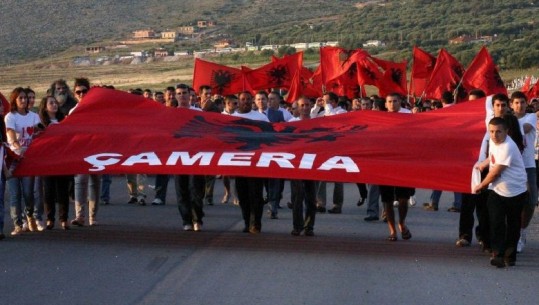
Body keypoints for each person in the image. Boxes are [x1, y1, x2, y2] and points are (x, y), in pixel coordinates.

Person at [473, 117, 528, 268]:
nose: (494, 135)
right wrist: (481, 165)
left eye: (498, 132)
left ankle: (510, 256)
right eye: (491, 131)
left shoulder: (508, 146)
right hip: (497, 190)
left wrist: (481, 185)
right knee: (496, 221)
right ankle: (497, 253)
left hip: (515, 190)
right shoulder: (492, 141)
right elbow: (492, 160)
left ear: (507, 132)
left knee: (513, 223)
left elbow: (496, 172)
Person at [232, 91, 269, 233]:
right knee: (243, 195)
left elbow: (269, 138)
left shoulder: (261, 118)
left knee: (256, 194)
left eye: (248, 99)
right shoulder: (232, 118)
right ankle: (247, 222)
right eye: (243, 99)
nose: (245, 102)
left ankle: (256, 223)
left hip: (256, 162)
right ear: (238, 101)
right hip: (239, 163)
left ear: (252, 101)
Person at [5, 87, 40, 235]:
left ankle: (29, 215)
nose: (24, 100)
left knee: (28, 193)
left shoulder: (33, 116)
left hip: (28, 159)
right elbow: (11, 134)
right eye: (21, 98)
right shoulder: (10, 116)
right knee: (15, 193)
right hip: (13, 158)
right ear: (14, 100)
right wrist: (17, 147)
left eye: (25, 98)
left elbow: (39, 133)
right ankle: (18, 223)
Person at [380, 93, 414, 241]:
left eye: (395, 101)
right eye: (389, 102)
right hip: (385, 163)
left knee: (403, 198)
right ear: (386, 104)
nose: (392, 104)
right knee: (387, 199)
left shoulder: (408, 116)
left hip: (403, 163)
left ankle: (402, 222)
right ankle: (392, 230)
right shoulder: (380, 119)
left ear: (400, 102)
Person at [70, 78, 101, 226]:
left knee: (94, 182)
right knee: (80, 181)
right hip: (80, 150)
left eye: (84, 91)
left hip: (96, 149)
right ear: (74, 94)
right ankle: (80, 216)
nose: (81, 94)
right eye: (78, 92)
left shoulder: (97, 109)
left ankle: (92, 216)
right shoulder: (73, 111)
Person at [174, 84, 205, 231]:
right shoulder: (170, 114)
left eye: (184, 93)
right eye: (179, 93)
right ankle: (186, 220)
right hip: (178, 157)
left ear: (189, 95)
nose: (182, 96)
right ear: (175, 96)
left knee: (196, 190)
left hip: (195, 157)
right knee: (182, 190)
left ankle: (197, 218)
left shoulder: (198, 112)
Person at [509, 91, 537, 253]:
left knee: (531, 200)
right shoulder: (506, 121)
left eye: (522, 102)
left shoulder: (530, 118)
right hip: (509, 165)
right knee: (510, 201)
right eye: (517, 103)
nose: (520, 106)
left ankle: (522, 231)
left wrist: (507, 123)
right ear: (512, 104)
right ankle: (511, 234)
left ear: (527, 104)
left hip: (528, 166)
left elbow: (524, 130)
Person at [38, 95, 70, 230]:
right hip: (47, 161)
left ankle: (64, 219)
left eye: (55, 103)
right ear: (45, 107)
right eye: (51, 103)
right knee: (49, 191)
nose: (54, 105)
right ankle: (50, 219)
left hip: (62, 159)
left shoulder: (64, 120)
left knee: (63, 191)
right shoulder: (41, 123)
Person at [289, 97, 317, 236]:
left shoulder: (318, 122)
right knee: (297, 197)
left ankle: (309, 226)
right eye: (302, 105)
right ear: (298, 107)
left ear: (310, 106)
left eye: (307, 105)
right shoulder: (291, 123)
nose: (305, 108)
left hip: (313, 164)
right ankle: (297, 226)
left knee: (311, 198)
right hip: (296, 165)